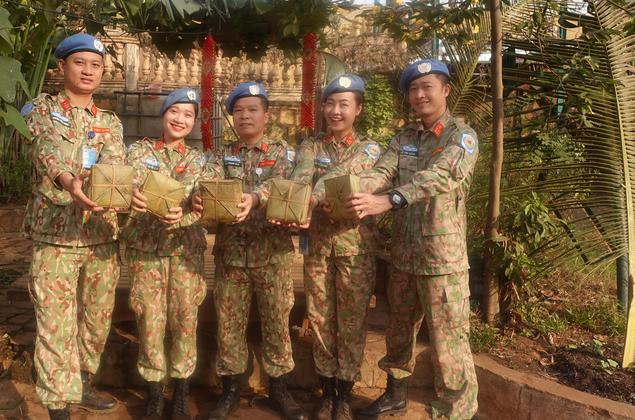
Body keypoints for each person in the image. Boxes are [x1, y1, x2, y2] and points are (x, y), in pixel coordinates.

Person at [349, 59, 479, 420]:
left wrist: (388, 200)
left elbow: (440, 177)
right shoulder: (404, 138)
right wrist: (351, 191)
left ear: (445, 90)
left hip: (442, 259)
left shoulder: (461, 138)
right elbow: (380, 171)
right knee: (399, 330)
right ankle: (395, 394)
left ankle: (456, 410)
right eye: (414, 89)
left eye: (428, 88)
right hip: (404, 255)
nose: (420, 95)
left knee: (448, 338)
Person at [21, 33, 124, 420]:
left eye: (95, 65)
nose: (88, 70)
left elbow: (116, 170)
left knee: (96, 320)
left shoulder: (110, 123)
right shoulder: (40, 111)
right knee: (55, 323)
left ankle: (83, 383)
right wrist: (68, 180)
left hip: (99, 234)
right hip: (56, 234)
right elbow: (44, 150)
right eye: (80, 63)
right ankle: (57, 406)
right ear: (61, 67)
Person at [193, 82, 307, 420]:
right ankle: (230, 390)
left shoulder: (284, 153)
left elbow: (283, 184)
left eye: (252, 109)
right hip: (231, 256)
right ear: (232, 117)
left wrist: (255, 197)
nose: (245, 115)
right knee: (229, 325)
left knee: (277, 323)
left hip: (273, 255)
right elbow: (210, 184)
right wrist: (203, 197)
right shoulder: (218, 155)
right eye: (239, 111)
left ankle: (280, 389)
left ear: (266, 115)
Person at [288, 74, 382, 420]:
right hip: (319, 248)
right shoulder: (311, 147)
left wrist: (317, 193)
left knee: (353, 321)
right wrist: (303, 198)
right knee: (321, 318)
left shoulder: (369, 149)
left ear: (358, 109)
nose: (336, 111)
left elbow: (352, 177)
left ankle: (345, 392)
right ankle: (327, 391)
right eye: (330, 103)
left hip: (355, 249)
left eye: (344, 104)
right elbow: (301, 177)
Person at [122, 87, 207, 420]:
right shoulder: (139, 152)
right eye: (175, 112)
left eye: (188, 115)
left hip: (185, 252)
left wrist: (189, 212)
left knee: (186, 321)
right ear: (164, 115)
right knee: (150, 321)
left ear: (194, 122)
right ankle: (156, 393)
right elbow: (130, 183)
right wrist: (132, 193)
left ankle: (182, 393)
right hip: (147, 251)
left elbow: (205, 198)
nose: (180, 119)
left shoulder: (200, 160)